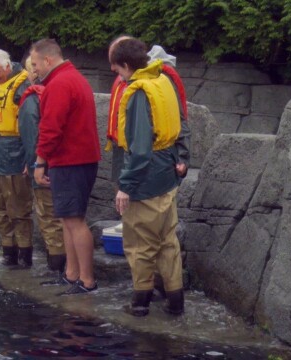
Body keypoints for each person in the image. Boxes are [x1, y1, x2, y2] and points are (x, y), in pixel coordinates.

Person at [106, 36, 192, 300]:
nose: (114, 72)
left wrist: (125, 187)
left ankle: (140, 303)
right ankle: (175, 301)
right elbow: (180, 123)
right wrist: (183, 156)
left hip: (146, 181)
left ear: (125, 64)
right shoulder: (163, 80)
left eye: (116, 68)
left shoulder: (140, 93)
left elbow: (140, 149)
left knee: (140, 244)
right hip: (167, 177)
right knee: (168, 242)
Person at [29, 39, 101, 295]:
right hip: (76, 160)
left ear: (48, 60)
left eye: (35, 64)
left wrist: (40, 162)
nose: (34, 69)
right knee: (66, 219)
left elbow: (50, 128)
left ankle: (87, 280)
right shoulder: (73, 78)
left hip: (71, 161)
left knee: (74, 221)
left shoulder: (59, 84)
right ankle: (72, 275)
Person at [0, 49, 34, 268]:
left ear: (7, 66)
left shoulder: (23, 85)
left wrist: (29, 159)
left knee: (18, 208)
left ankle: (24, 255)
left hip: (15, 149)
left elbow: (31, 125)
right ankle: (8, 252)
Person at [18, 56, 67, 280]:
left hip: (44, 167)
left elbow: (32, 137)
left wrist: (34, 163)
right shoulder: (58, 91)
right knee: (64, 218)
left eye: (30, 69)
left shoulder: (31, 99)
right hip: (64, 166)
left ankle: (56, 269)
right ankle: (67, 268)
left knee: (49, 218)